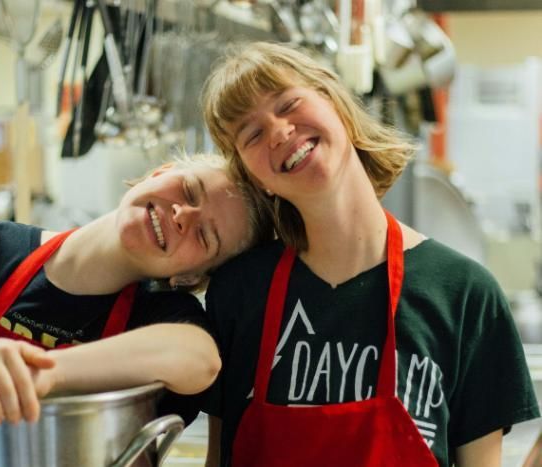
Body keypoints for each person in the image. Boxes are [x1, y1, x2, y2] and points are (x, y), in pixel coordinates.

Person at [200, 41, 539, 467]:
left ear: (336, 103)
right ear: (255, 178)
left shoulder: (464, 294)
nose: (280, 132)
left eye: (289, 103)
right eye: (252, 134)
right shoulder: (239, 291)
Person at [0, 153, 273, 429]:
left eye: (204, 236)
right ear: (157, 173)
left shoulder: (159, 313)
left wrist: (35, 374)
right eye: (189, 190)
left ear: (191, 276)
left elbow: (196, 358)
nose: (182, 214)